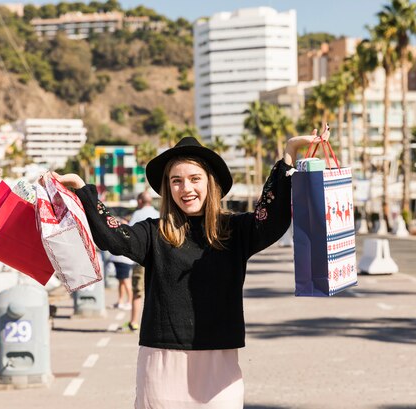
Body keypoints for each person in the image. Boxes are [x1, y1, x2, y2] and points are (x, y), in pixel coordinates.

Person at [51, 132, 320, 408]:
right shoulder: (153, 233)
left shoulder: (235, 231)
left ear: (210, 183)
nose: (185, 188)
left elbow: (273, 217)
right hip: (162, 362)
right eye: (176, 181)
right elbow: (113, 237)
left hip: (219, 363)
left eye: (194, 179)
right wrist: (83, 189)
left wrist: (289, 153)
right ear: (168, 188)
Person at [120, 191, 160, 332]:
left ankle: (134, 322)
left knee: (138, 292)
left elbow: (129, 234)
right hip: (158, 259)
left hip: (141, 259)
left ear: (140, 201)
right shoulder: (158, 214)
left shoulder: (137, 214)